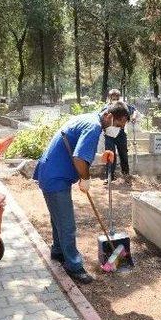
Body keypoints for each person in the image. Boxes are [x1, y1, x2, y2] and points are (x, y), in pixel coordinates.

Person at [33, 101, 130, 283]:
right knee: (67, 225)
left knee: (58, 218)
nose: (117, 130)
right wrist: (85, 179)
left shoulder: (89, 119)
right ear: (109, 116)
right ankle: (74, 266)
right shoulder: (94, 127)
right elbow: (78, 158)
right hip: (56, 177)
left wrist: (99, 157)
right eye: (117, 125)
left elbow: (76, 148)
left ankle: (58, 251)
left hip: (51, 171)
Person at [102, 89, 138, 183]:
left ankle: (126, 175)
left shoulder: (123, 105)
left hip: (121, 133)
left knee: (123, 154)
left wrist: (133, 117)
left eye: (116, 97)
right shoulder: (106, 107)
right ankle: (109, 176)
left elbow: (134, 110)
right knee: (110, 155)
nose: (114, 99)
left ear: (119, 97)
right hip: (109, 134)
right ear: (109, 98)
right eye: (112, 97)